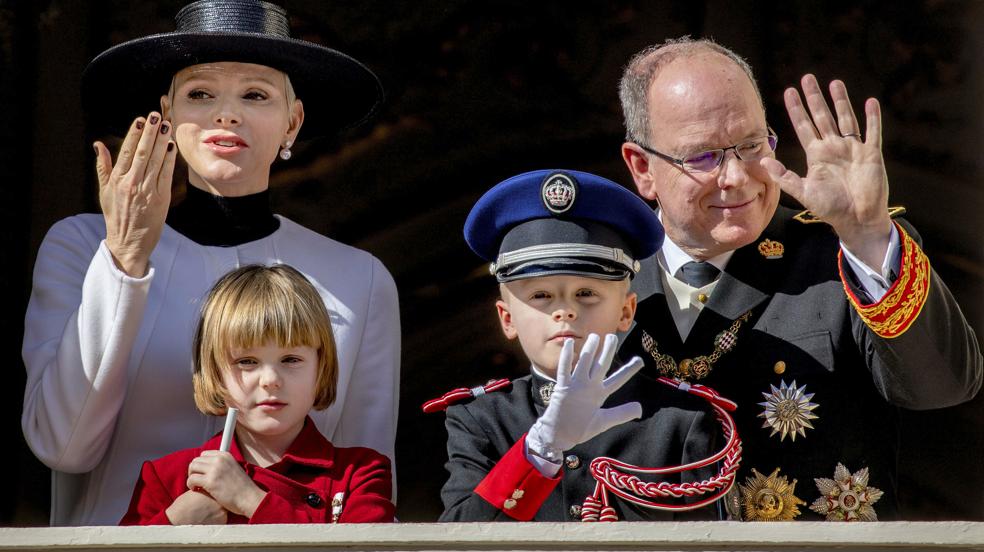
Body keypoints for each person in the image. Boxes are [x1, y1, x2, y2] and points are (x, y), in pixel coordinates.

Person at [22, 0, 400, 526]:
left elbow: (365, 494)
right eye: (200, 93)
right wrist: (125, 260)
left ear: (292, 121)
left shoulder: (357, 279)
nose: (227, 113)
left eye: (255, 94)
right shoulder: (85, 248)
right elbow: (62, 447)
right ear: (167, 114)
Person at [616, 37, 982, 521]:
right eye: (703, 157)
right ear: (643, 168)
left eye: (750, 145)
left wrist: (869, 235)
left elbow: (943, 385)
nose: (737, 177)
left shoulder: (840, 252)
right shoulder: (599, 281)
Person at [435, 169, 740, 521]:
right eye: (540, 295)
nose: (564, 310)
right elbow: (459, 540)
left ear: (626, 311)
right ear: (507, 319)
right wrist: (539, 450)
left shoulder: (680, 421)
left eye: (586, 294)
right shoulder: (481, 420)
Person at [120, 264, 394, 525]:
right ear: (216, 374)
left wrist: (250, 500)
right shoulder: (168, 478)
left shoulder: (359, 473)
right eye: (247, 362)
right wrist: (173, 524)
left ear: (321, 368)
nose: (271, 380)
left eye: (290, 359)